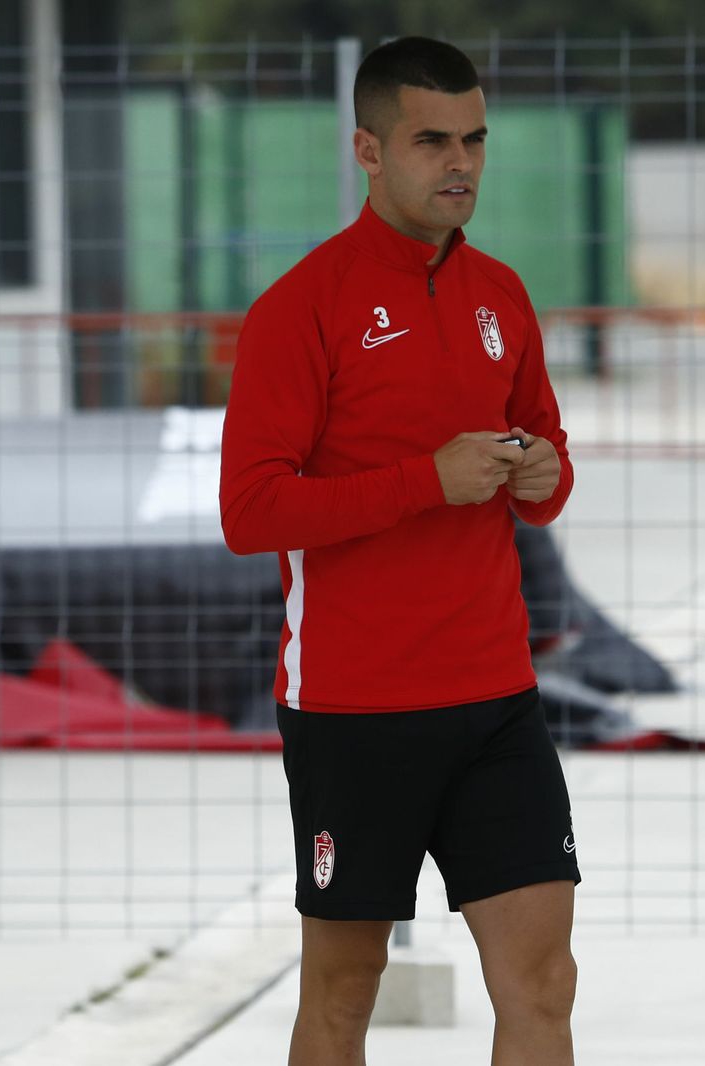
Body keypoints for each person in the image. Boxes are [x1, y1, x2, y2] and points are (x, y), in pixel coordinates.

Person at [219, 34, 579, 1066]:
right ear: (368, 151)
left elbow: (541, 461)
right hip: (354, 710)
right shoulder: (300, 310)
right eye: (431, 141)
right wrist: (426, 480)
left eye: (473, 139)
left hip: (496, 700)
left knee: (542, 983)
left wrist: (543, 480)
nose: (459, 162)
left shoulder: (502, 296)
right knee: (342, 992)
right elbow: (250, 511)